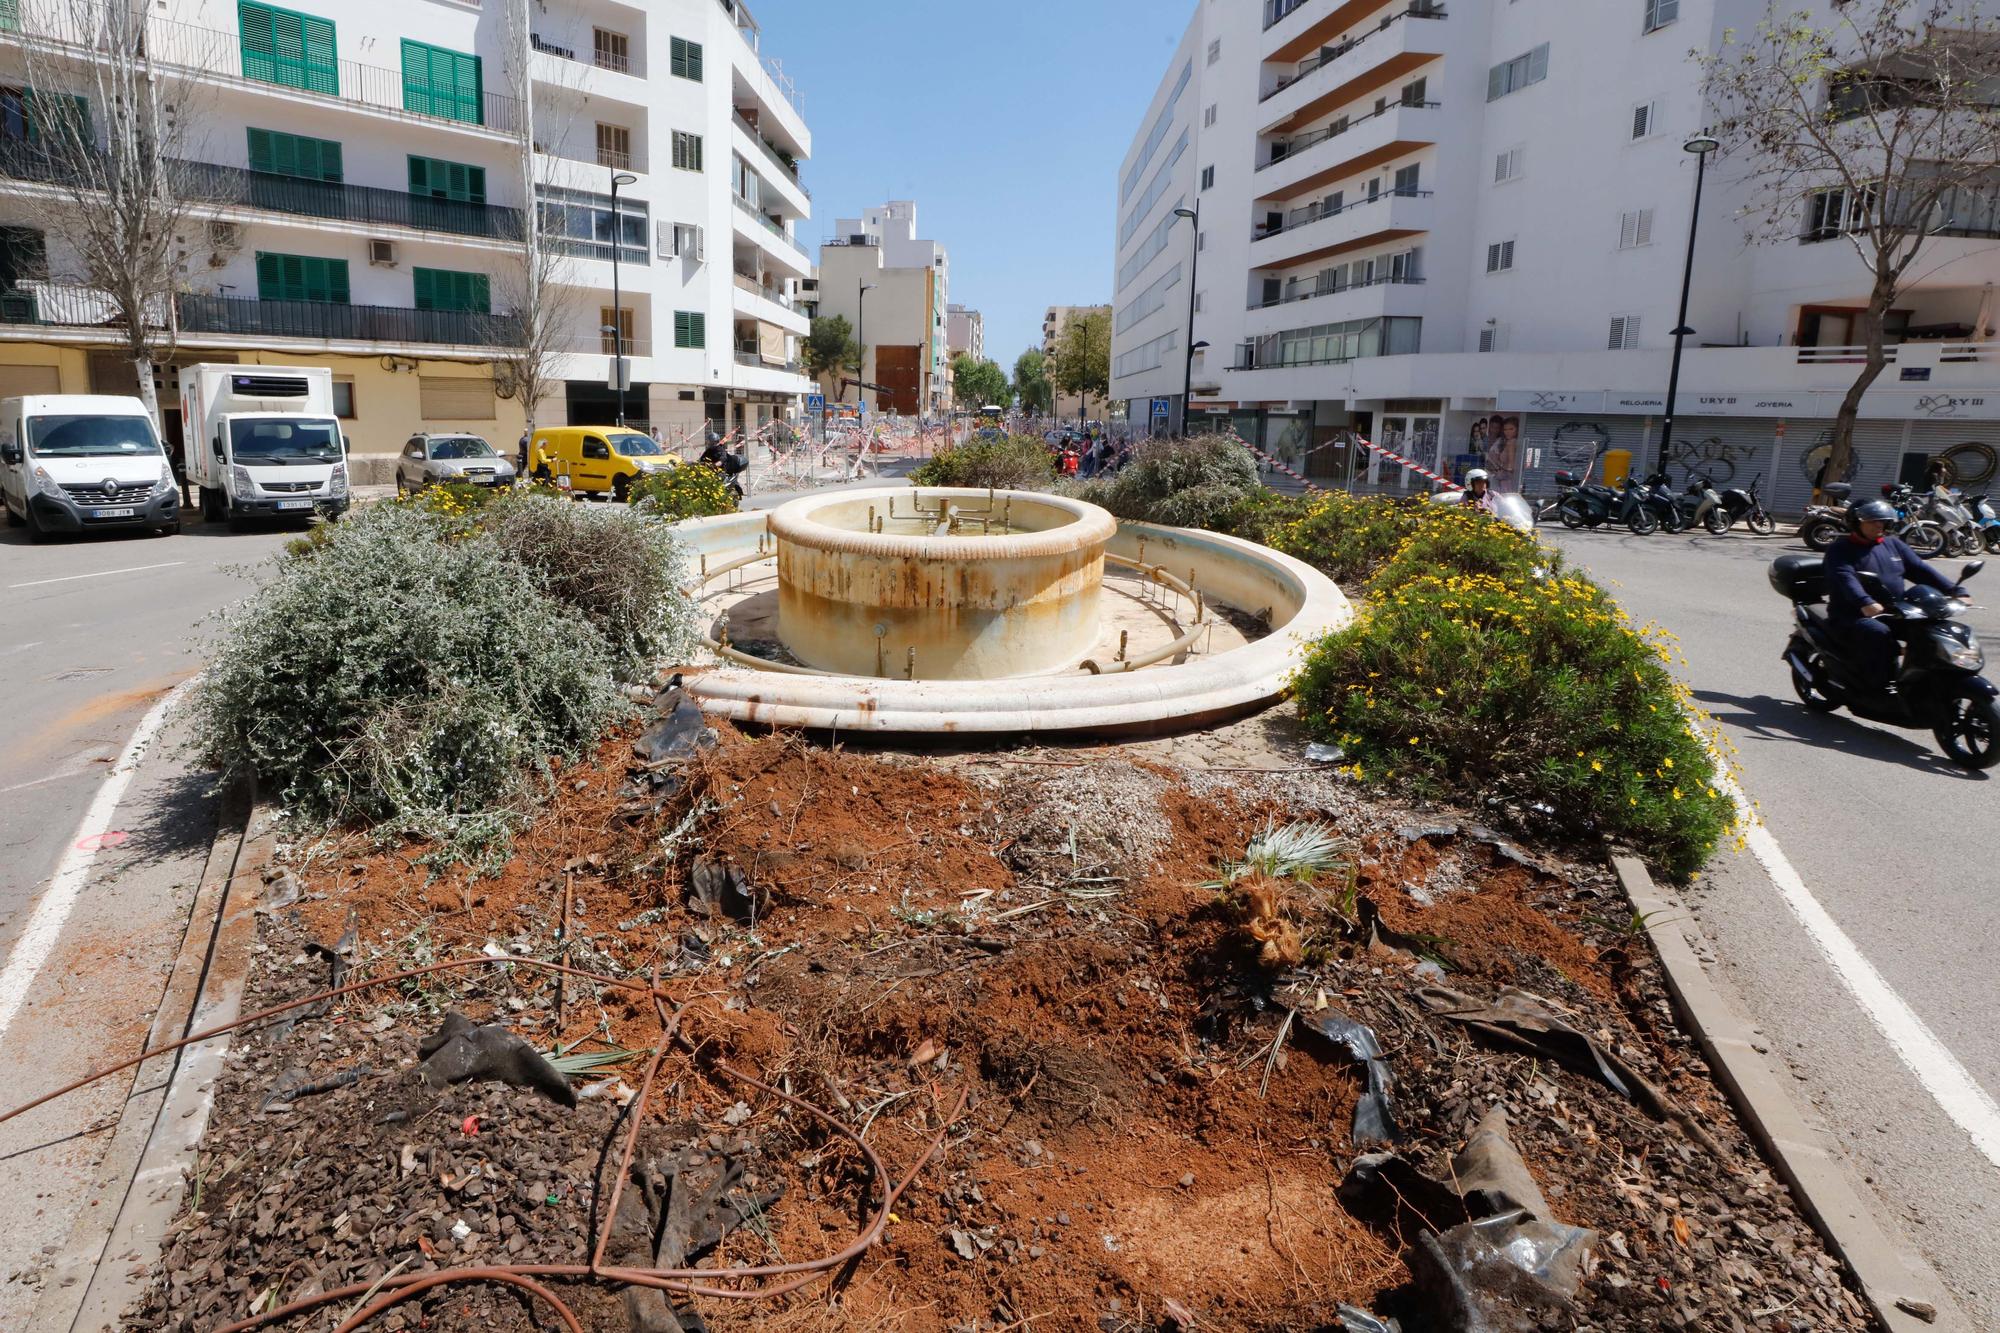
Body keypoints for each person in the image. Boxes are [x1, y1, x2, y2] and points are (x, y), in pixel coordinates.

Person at [1823, 498, 1964, 691]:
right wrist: (1865, 602)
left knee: (1931, 630)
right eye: (1873, 521)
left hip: (1895, 610)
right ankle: (1876, 686)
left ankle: (1923, 678)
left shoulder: (1893, 544)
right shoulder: (1840, 549)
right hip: (1853, 614)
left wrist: (1955, 590)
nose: (1879, 525)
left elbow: (1920, 570)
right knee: (1878, 633)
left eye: (1883, 521)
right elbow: (1845, 578)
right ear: (1857, 522)